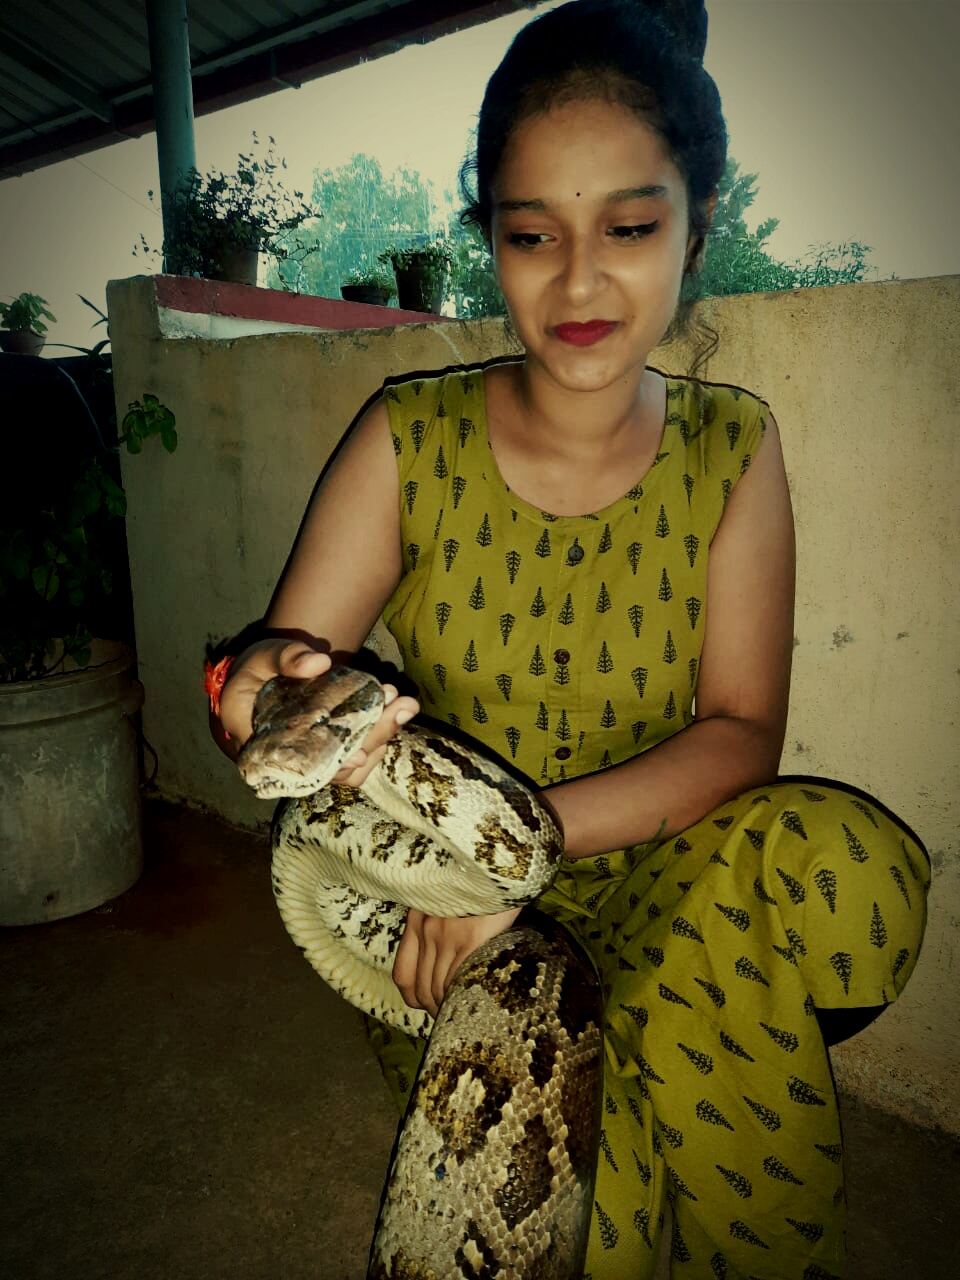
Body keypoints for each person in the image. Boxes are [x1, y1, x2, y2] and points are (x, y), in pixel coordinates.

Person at [211, 1, 929, 1274]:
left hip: (654, 861)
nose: (581, 281)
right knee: (587, 1224)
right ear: (490, 240)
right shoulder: (407, 437)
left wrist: (514, 858)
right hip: (430, 894)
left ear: (698, 226)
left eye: (631, 230)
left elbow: (743, 730)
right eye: (532, 234)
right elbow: (280, 662)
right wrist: (261, 683)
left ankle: (668, 1026)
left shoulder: (732, 448)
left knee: (855, 870)